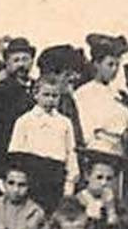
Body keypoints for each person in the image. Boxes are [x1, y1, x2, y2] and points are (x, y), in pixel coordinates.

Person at [7, 76, 78, 213]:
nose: (50, 99)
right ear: (36, 95)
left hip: (56, 175)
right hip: (32, 174)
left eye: (55, 96)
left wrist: (70, 183)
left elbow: (71, 152)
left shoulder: (64, 123)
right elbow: (15, 153)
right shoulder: (25, 121)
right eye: (46, 95)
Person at [76, 32, 128, 158]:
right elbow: (87, 132)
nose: (114, 69)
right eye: (110, 64)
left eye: (117, 65)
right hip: (97, 153)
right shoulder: (84, 94)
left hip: (121, 154)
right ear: (97, 64)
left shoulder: (119, 93)